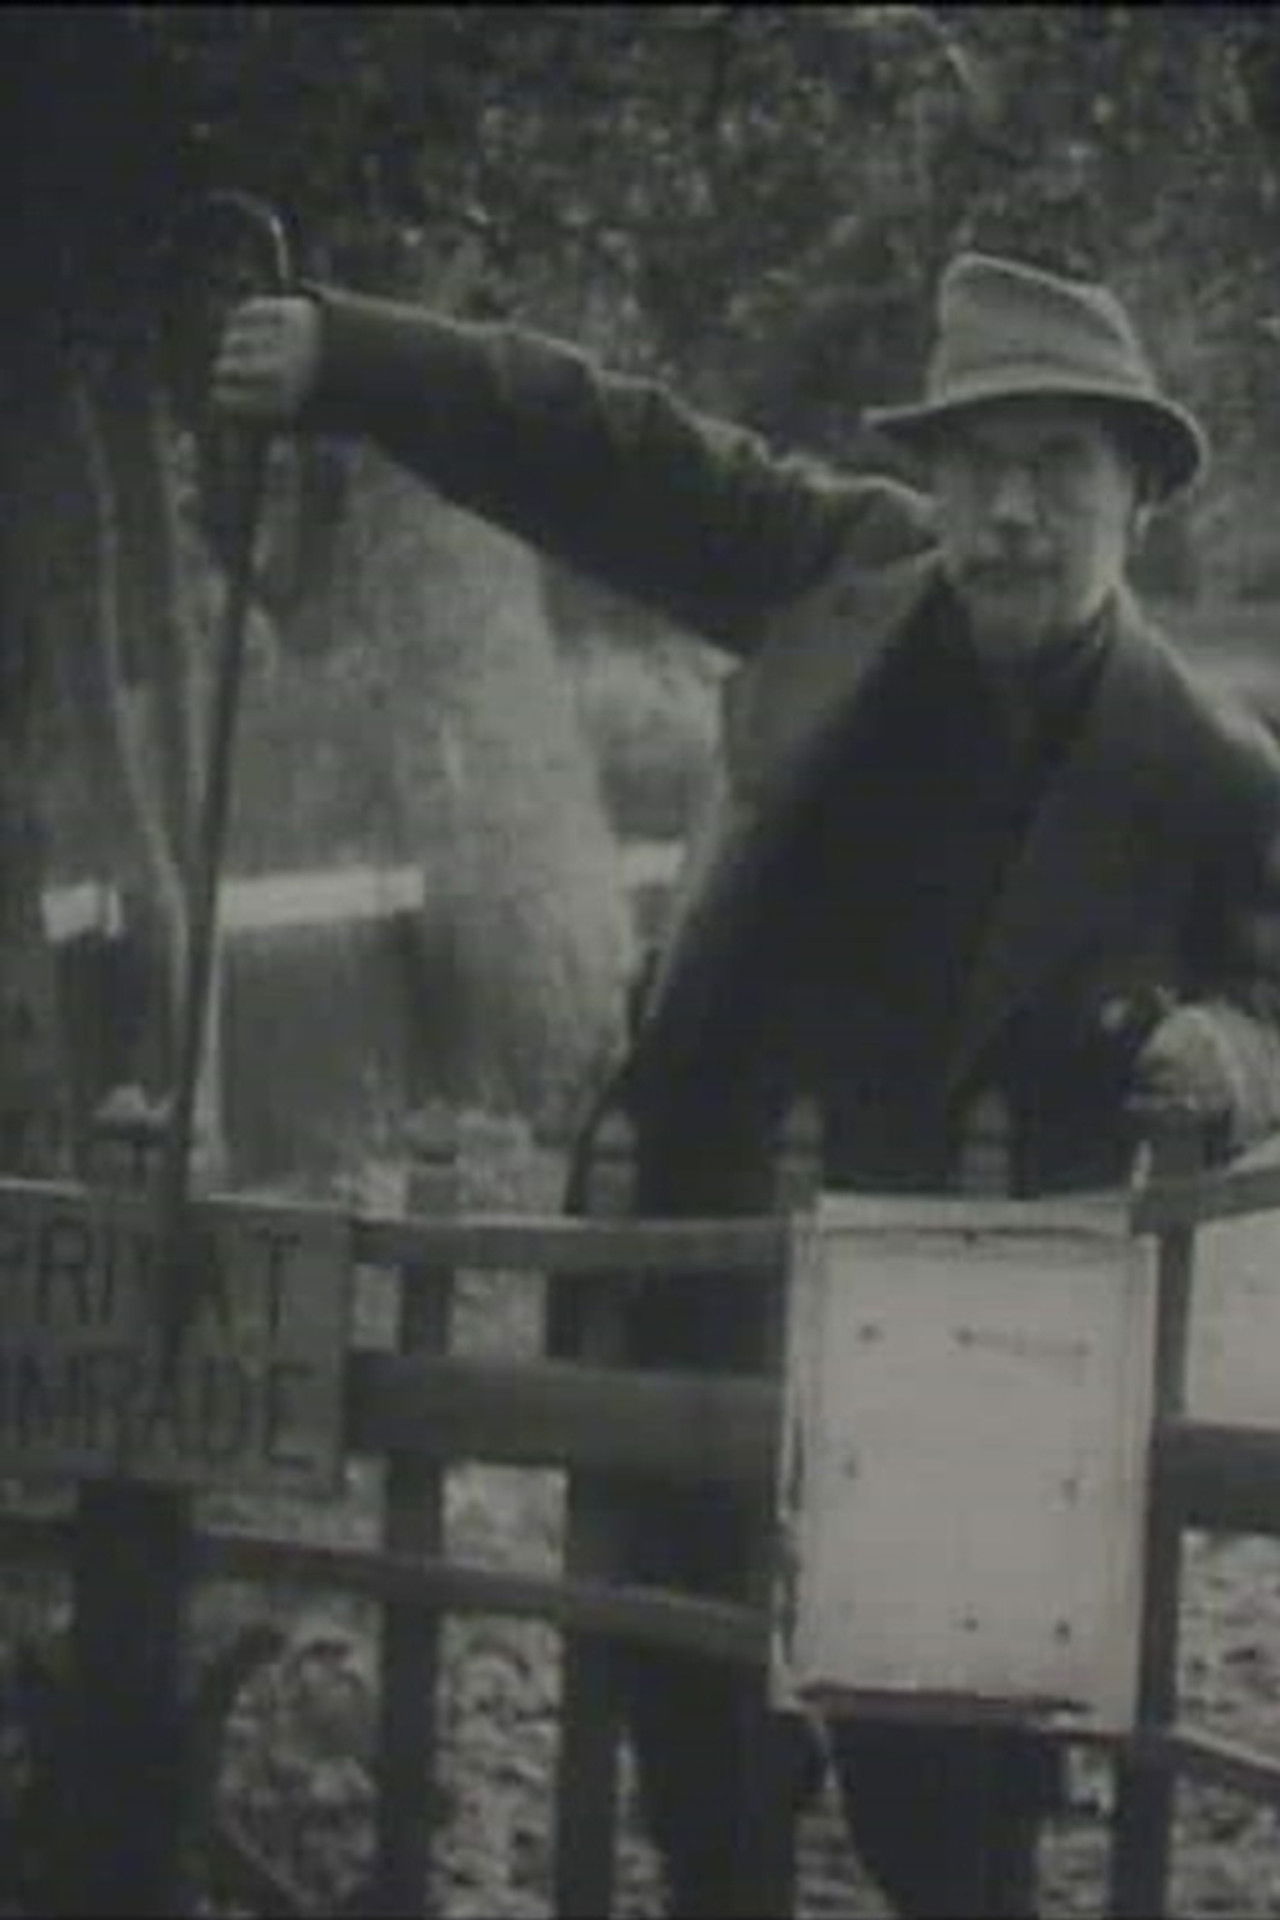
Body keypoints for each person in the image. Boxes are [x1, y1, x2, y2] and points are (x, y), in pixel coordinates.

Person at [214, 249, 1280, 1916]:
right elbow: (605, 446)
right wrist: (351, 356)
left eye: (1057, 468)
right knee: (693, 1761)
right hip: (708, 1261)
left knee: (949, 1803)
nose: (1008, 514)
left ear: (1138, 492)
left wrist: (1228, 1051)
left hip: (978, 1350)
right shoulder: (833, 576)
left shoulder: (1209, 772)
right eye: (975, 466)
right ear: (924, 479)